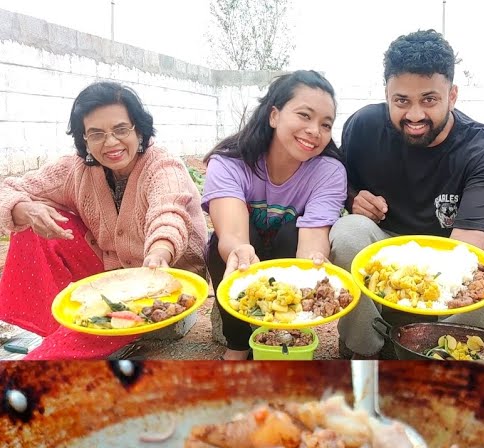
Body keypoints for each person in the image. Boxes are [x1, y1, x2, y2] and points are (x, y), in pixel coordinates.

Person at [330, 30, 484, 359]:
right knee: (348, 232)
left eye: (429, 100)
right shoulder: (363, 127)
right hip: (383, 241)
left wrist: (406, 281)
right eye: (401, 101)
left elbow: (467, 248)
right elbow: (336, 181)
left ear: (453, 95)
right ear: (387, 94)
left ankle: (437, 350)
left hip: (451, 250)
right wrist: (352, 198)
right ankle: (365, 348)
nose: (414, 115)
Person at [0, 81, 206, 360]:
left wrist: (159, 251)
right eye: (96, 134)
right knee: (30, 227)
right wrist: (26, 209)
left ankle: (63, 348)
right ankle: (58, 329)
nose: (110, 143)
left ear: (139, 129)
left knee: (47, 362)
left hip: (162, 278)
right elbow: (8, 191)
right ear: (84, 139)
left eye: (121, 130)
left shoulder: (162, 166)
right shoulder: (76, 169)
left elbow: (168, 213)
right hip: (113, 274)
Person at [202, 70, 347, 360]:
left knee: (290, 231)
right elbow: (232, 235)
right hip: (246, 260)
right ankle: (238, 343)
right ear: (274, 115)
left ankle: (290, 334)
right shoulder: (231, 162)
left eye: (326, 124)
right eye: (304, 116)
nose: (315, 131)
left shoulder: (329, 172)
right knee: (224, 245)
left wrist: (314, 269)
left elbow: (313, 238)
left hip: (287, 257)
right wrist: (240, 251)